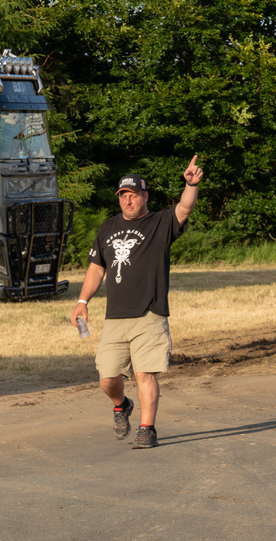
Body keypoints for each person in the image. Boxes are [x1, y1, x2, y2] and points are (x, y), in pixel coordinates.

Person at [71, 156, 203, 449]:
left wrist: (190, 185)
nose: (128, 201)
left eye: (133, 195)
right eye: (123, 196)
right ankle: (122, 406)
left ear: (145, 196)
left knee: (144, 372)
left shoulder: (160, 223)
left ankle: (147, 428)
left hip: (149, 313)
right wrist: (83, 301)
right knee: (108, 378)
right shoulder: (107, 228)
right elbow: (96, 268)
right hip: (115, 316)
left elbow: (184, 208)